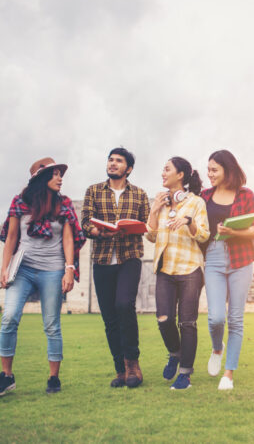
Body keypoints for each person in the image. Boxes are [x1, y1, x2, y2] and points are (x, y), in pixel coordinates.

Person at [0, 157, 85, 397]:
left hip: (52, 269)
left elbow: (68, 238)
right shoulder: (20, 202)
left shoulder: (64, 204)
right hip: (23, 268)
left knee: (52, 324)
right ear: (41, 178)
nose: (60, 178)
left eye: (61, 174)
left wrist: (69, 268)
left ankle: (54, 378)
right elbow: (11, 237)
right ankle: (6, 376)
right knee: (9, 317)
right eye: (55, 174)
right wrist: (4, 268)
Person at [81, 148, 150, 388]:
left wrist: (133, 227)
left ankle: (133, 364)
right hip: (102, 260)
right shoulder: (93, 191)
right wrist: (97, 231)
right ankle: (120, 370)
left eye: (119, 161)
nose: (113, 163)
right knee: (109, 317)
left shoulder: (140, 194)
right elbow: (85, 223)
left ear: (128, 168)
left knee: (124, 305)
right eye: (110, 160)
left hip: (129, 257)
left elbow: (147, 225)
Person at [200, 150, 254, 390]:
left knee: (235, 319)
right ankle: (217, 347)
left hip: (241, 259)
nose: (210, 174)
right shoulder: (204, 196)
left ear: (228, 169)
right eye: (208, 170)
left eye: (214, 169)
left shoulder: (246, 195)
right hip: (213, 257)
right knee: (216, 318)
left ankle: (229, 374)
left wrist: (232, 232)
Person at [146, 157, 209, 390]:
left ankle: (185, 374)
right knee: (163, 319)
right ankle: (174, 352)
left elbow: (203, 234)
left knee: (187, 322)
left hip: (190, 268)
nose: (163, 173)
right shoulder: (160, 201)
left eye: (167, 169)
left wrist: (188, 221)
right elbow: (151, 236)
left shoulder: (196, 203)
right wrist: (154, 209)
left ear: (180, 175)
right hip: (165, 269)